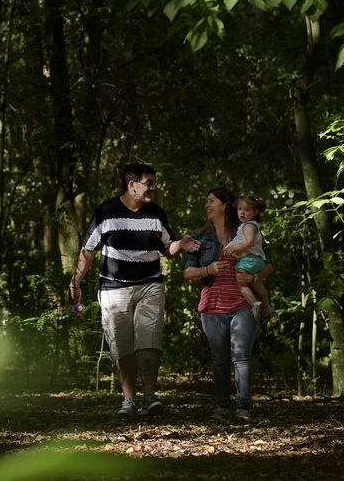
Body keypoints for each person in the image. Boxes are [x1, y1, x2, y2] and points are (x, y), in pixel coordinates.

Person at [68, 164, 200, 417]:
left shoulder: (155, 213)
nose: (153, 187)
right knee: (122, 345)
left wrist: (181, 244)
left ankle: (150, 397)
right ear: (132, 185)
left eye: (153, 182)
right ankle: (129, 400)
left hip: (150, 284)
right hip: (113, 288)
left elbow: (167, 250)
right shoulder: (106, 212)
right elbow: (88, 251)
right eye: (149, 182)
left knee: (149, 339)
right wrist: (75, 282)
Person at [181, 187, 273, 422]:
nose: (207, 205)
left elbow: (267, 265)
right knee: (220, 360)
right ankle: (222, 407)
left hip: (244, 304)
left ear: (225, 205)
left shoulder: (245, 230)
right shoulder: (200, 237)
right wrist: (208, 269)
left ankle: (243, 408)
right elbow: (188, 272)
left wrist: (253, 279)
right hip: (212, 308)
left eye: (211, 201)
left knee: (241, 355)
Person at [222, 195, 274, 321]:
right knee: (255, 282)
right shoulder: (252, 225)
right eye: (240, 209)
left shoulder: (248, 226)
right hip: (256, 261)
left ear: (255, 212)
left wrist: (235, 248)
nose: (242, 212)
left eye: (247, 210)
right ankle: (267, 306)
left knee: (242, 284)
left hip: (247, 260)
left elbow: (249, 242)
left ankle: (254, 304)